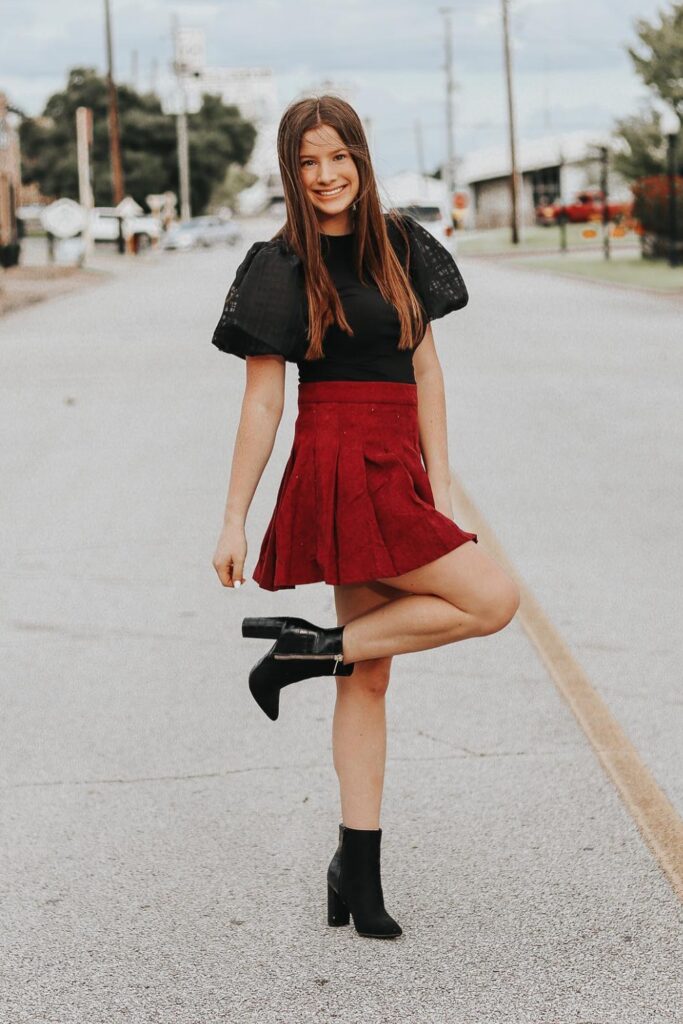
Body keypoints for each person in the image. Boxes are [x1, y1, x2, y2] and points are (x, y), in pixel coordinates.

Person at [211, 95, 520, 940]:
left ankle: (310, 665)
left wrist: (443, 490)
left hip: (398, 466)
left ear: (359, 155)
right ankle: (358, 858)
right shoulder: (277, 265)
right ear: (290, 170)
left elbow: (425, 370)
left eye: (336, 156)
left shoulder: (403, 244)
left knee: (426, 636)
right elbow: (264, 401)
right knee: (463, 618)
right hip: (337, 461)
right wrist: (234, 516)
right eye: (306, 162)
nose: (324, 176)